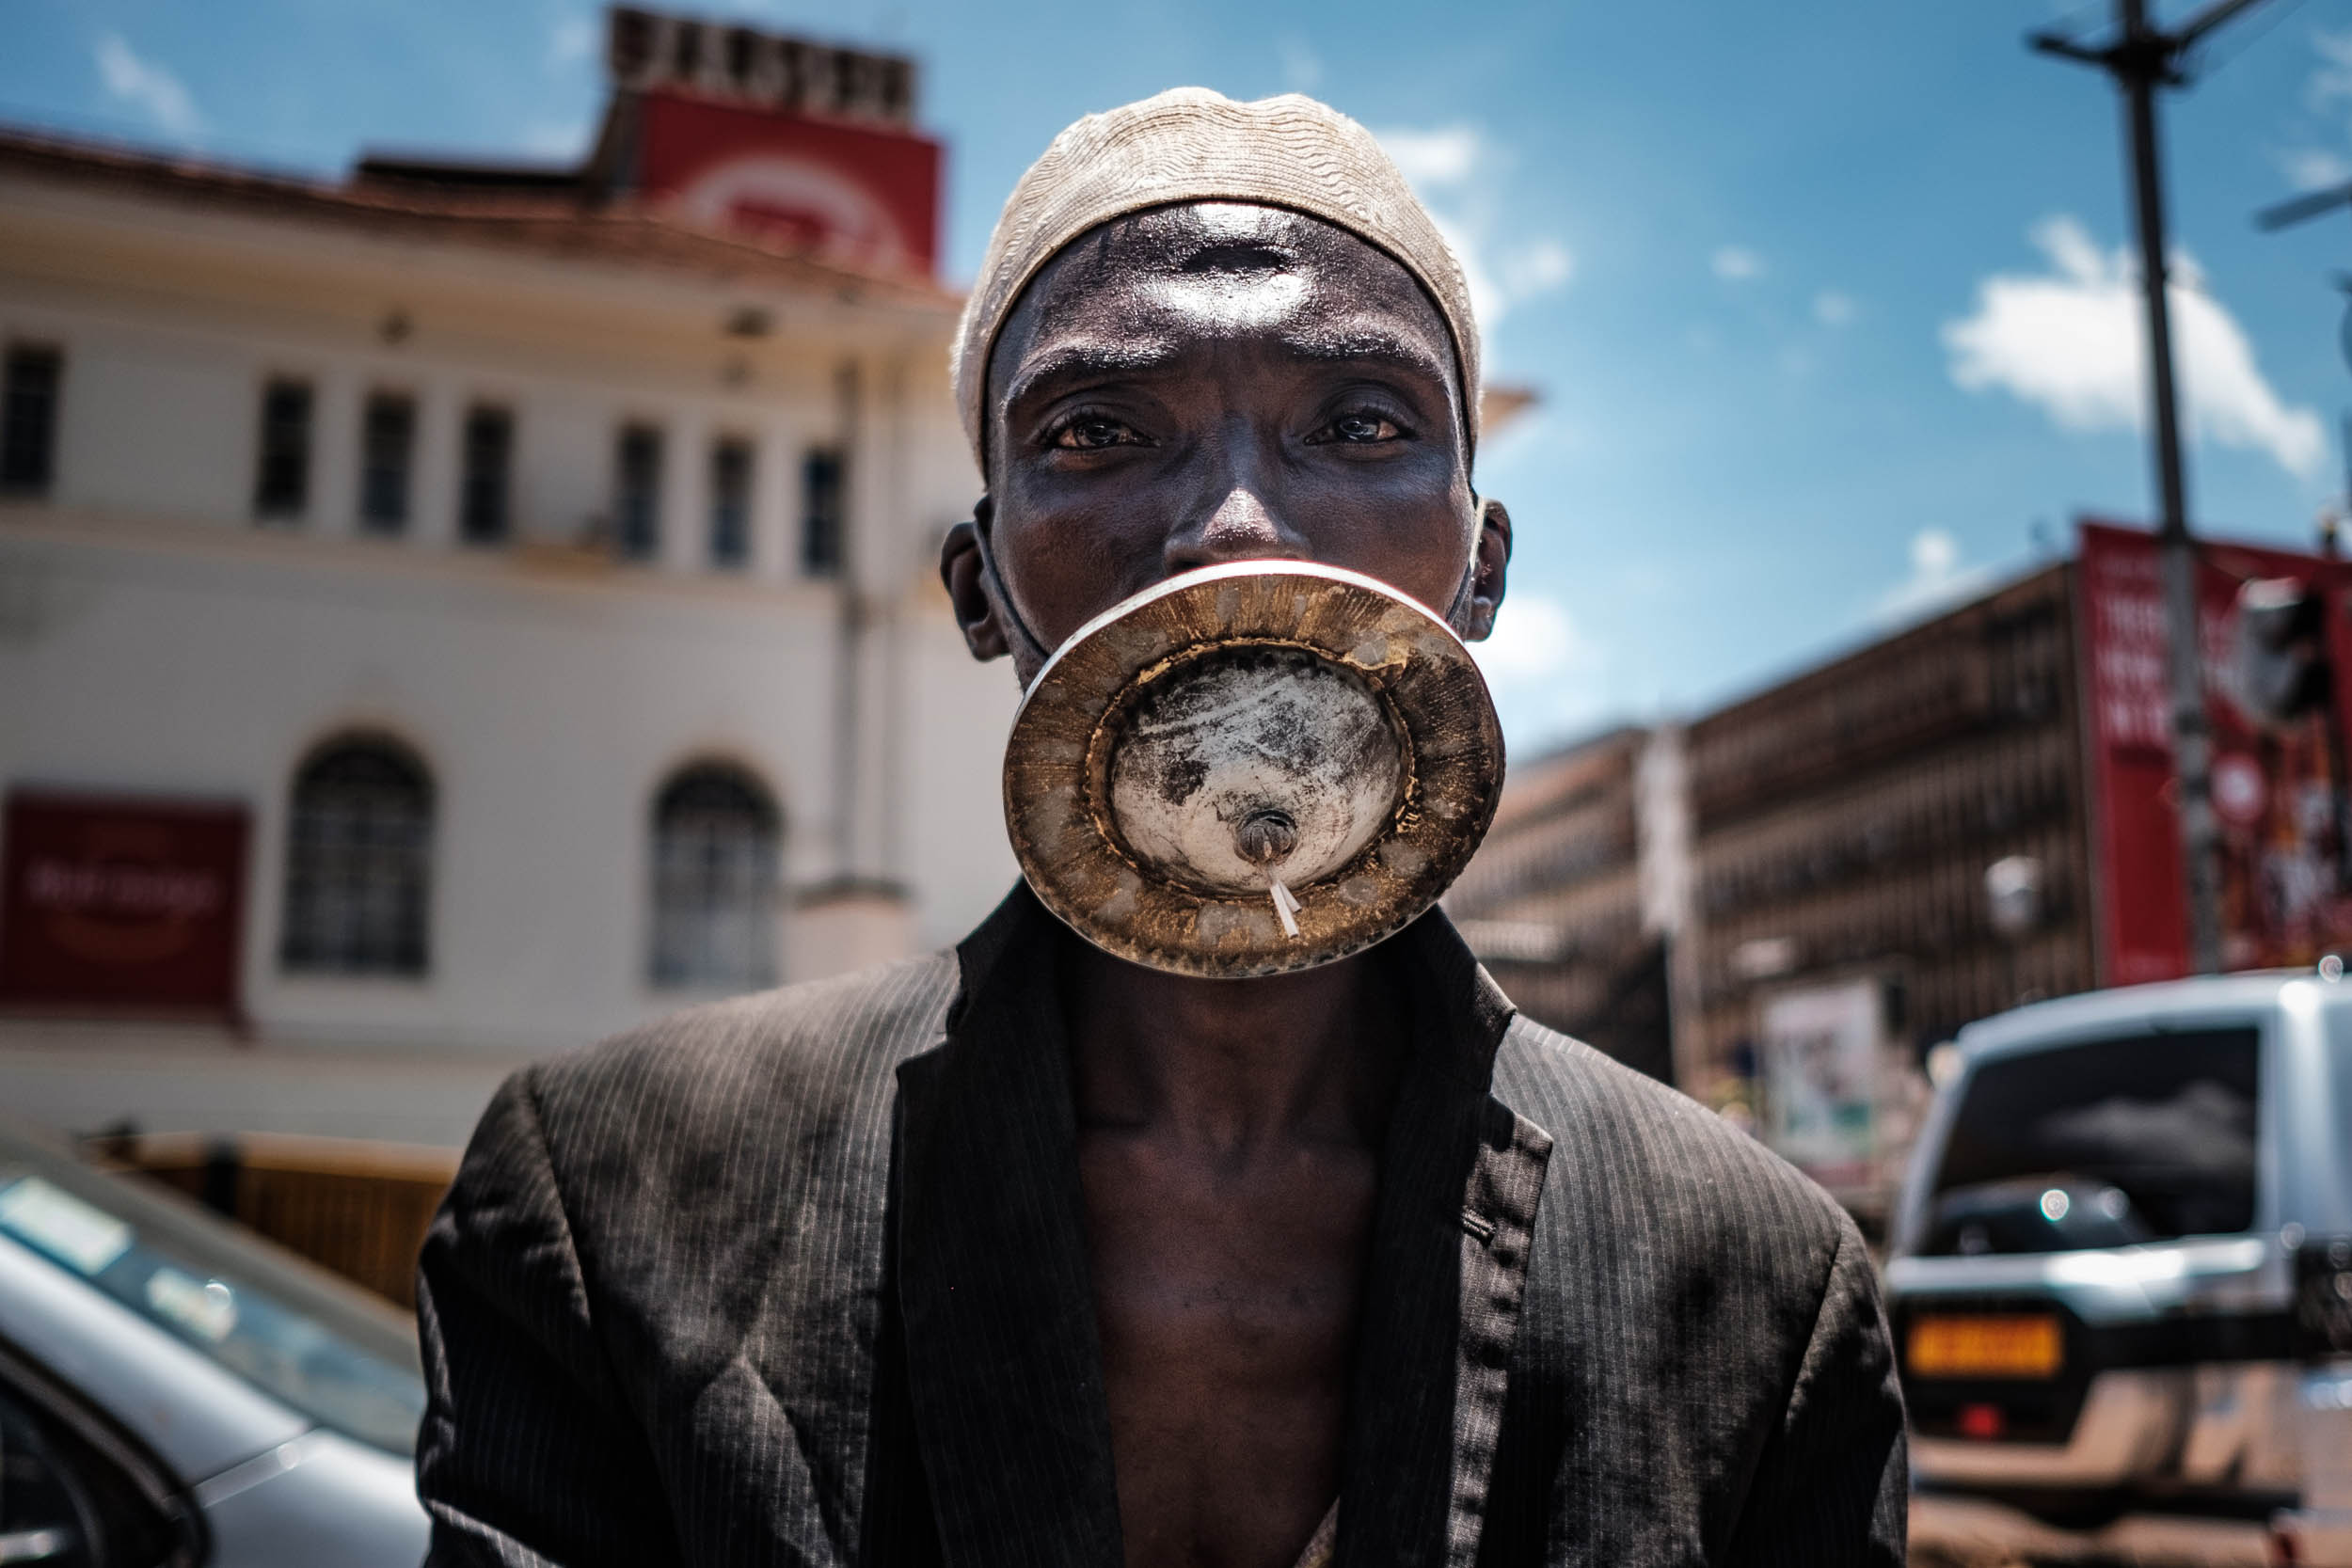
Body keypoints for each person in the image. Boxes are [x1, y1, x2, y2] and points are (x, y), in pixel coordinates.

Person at [415, 88, 1907, 1568]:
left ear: (1481, 569)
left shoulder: (1758, 1283)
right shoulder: (617, 1199)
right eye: (1100, 432)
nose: (1239, 524)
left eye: (1363, 422)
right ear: (981, 589)